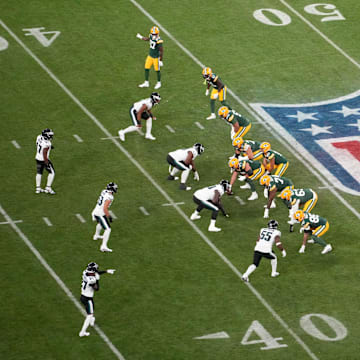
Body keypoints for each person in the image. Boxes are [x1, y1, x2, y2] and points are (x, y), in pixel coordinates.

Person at [79, 262, 116, 337]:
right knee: (89, 315)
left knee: (92, 309)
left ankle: (92, 320)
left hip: (83, 296)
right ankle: (82, 332)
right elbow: (97, 288)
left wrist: (106, 271)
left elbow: (96, 273)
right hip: (87, 298)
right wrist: (98, 280)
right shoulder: (92, 280)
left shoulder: (85, 272)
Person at [91, 182, 118, 252]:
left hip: (96, 210)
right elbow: (105, 208)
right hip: (100, 213)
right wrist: (109, 216)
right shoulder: (110, 197)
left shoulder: (104, 191)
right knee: (108, 229)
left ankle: (96, 235)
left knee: (100, 223)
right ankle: (103, 246)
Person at [35, 128, 56, 194]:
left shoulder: (39, 137)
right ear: (46, 135)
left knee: (39, 172)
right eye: (50, 135)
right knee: (52, 172)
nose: (51, 136)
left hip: (37, 157)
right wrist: (46, 161)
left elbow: (40, 145)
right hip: (43, 159)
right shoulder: (47, 143)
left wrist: (50, 147)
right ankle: (48, 188)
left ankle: (38, 188)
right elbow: (44, 151)